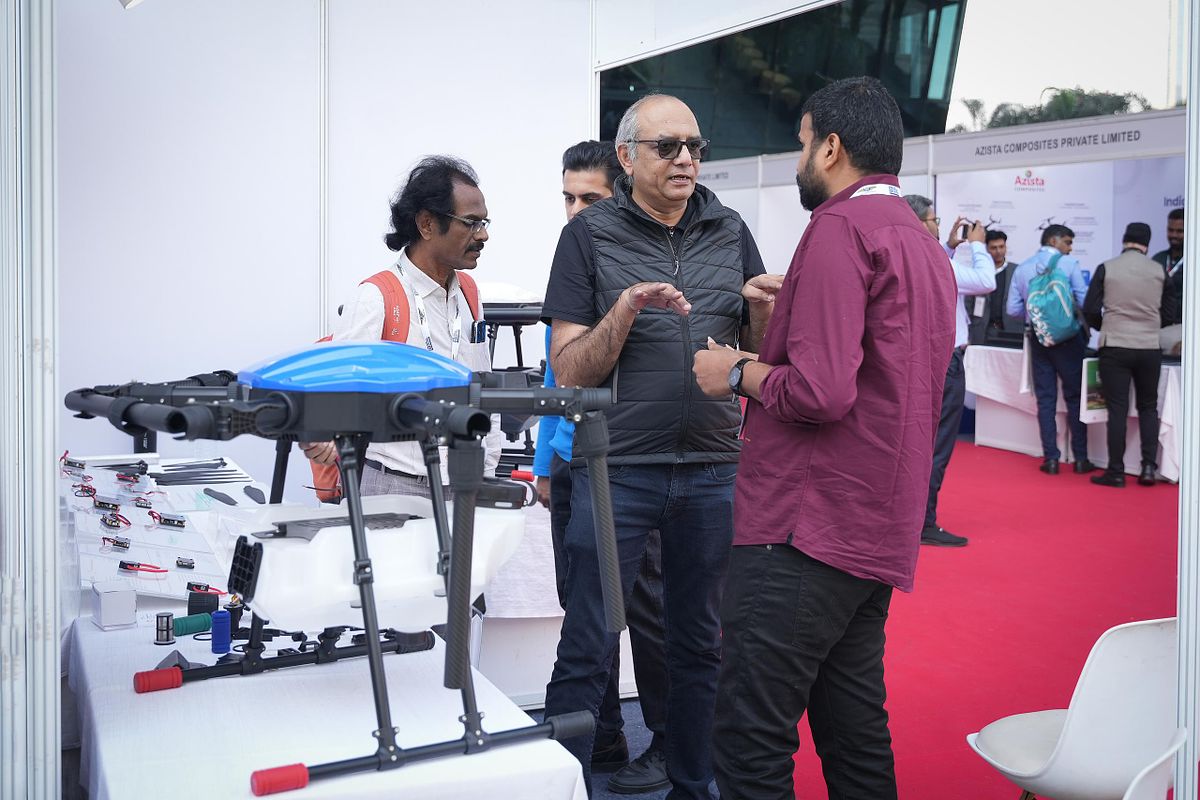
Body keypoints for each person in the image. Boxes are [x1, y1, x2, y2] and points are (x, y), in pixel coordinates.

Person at [694, 75, 956, 800]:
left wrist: (735, 370)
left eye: (803, 142)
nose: (799, 159)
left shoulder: (841, 228)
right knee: (853, 729)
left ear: (831, 147)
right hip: (873, 525)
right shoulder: (921, 243)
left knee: (750, 738)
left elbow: (821, 392)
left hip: (805, 527)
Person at [541, 94, 774, 799]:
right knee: (588, 643)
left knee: (700, 645)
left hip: (712, 469)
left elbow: (759, 359)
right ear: (626, 156)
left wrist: (762, 314)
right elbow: (569, 373)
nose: (685, 159)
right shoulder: (588, 237)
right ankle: (558, 787)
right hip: (616, 470)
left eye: (695, 147)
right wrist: (624, 309)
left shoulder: (730, 229)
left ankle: (692, 786)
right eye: (667, 146)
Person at [531, 140, 672, 792]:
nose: (575, 210)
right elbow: (553, 378)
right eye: (568, 197)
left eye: (589, 197)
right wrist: (544, 466)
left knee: (646, 612)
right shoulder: (573, 264)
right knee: (582, 613)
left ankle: (668, 742)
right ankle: (607, 732)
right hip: (570, 465)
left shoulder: (646, 271)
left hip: (626, 470)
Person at [301, 156, 502, 494]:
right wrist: (322, 433)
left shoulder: (469, 293)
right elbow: (335, 392)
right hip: (394, 483)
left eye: (484, 222)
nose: (483, 235)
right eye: (471, 223)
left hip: (463, 484)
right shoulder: (375, 297)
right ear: (426, 224)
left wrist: (488, 468)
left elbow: (484, 388)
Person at [904, 195, 995, 547]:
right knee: (937, 446)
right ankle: (923, 522)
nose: (939, 226)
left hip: (921, 360)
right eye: (935, 220)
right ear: (920, 223)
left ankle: (912, 519)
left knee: (919, 444)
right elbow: (985, 280)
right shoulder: (937, 262)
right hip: (946, 363)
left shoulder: (918, 256)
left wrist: (953, 247)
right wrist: (978, 245)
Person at [1082, 222, 1178, 488]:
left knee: (1117, 409)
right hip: (1149, 347)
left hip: (1115, 346)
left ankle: (1116, 471)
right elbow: (1169, 313)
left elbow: (1090, 309)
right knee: (1148, 407)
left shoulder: (1107, 268)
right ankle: (1148, 468)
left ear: (1125, 241)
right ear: (1147, 244)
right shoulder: (1159, 271)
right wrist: (1149, 326)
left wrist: (1106, 326)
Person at [1006, 224, 1094, 476]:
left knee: (1046, 399)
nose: (1070, 248)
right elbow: (1084, 300)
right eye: (1067, 242)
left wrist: (1040, 317)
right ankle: (1080, 459)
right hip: (1069, 339)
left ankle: (1052, 459)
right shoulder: (1069, 264)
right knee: (1074, 397)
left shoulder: (1023, 268)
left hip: (1039, 336)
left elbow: (1013, 310)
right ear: (1054, 241)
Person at [967, 229, 1022, 344]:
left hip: (1011, 329)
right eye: (994, 248)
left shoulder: (1017, 271)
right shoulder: (978, 272)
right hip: (982, 330)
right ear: (986, 249)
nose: (998, 251)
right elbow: (969, 303)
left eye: (1001, 247)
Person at [1152, 207, 1184, 326]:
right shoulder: (1158, 259)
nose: (1174, 235)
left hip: (1185, 326)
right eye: (1170, 230)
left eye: (1180, 231)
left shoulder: (1194, 262)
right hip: (1158, 326)